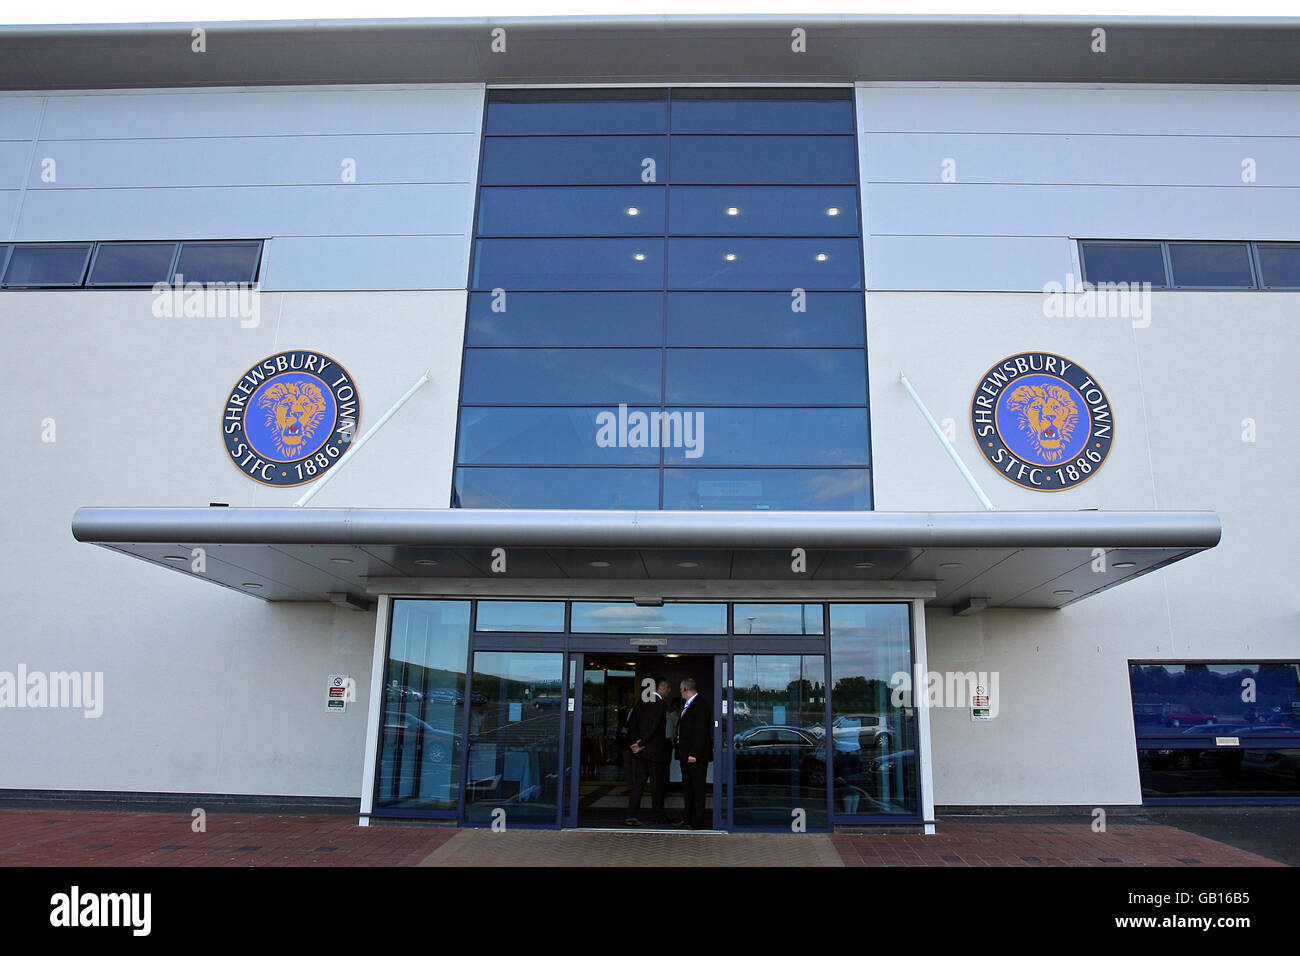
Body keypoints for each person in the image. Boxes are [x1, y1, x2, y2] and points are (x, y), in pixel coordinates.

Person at [626, 679, 670, 826]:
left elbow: (632, 723)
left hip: (639, 753)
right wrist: (643, 743)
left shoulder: (641, 703)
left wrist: (635, 743)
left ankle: (631, 814)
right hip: (655, 752)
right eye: (668, 688)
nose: (669, 691)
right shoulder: (660, 705)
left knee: (638, 785)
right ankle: (658, 815)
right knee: (657, 786)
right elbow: (655, 728)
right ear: (661, 688)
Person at [673, 677, 712, 830]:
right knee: (688, 788)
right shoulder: (688, 705)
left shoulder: (700, 705)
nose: (680, 692)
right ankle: (687, 818)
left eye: (681, 689)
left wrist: (693, 753)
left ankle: (697, 821)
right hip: (686, 755)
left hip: (695, 757)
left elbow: (701, 731)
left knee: (697, 789)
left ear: (686, 690)